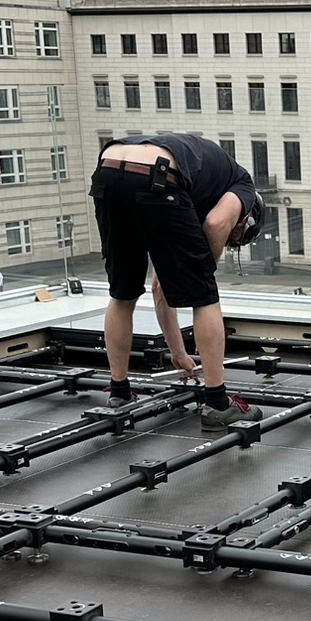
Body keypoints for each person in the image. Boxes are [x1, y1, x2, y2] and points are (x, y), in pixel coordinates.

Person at [89, 132, 263, 430]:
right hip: (156, 175)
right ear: (248, 217)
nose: (233, 240)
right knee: (205, 296)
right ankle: (218, 404)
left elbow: (161, 287)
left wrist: (179, 353)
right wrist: (206, 270)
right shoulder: (242, 185)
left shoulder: (195, 191)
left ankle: (119, 392)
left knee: (122, 293)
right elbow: (217, 222)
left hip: (108, 170)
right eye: (238, 238)